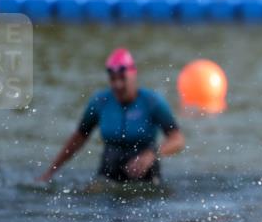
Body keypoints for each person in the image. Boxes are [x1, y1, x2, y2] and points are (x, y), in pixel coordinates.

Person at [39, 48, 185, 184]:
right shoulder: (100, 102)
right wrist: (50, 172)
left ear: (133, 75)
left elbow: (177, 140)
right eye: (113, 79)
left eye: (122, 78)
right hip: (109, 171)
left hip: (146, 176)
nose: (118, 85)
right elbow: (78, 139)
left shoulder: (152, 102)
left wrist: (151, 154)